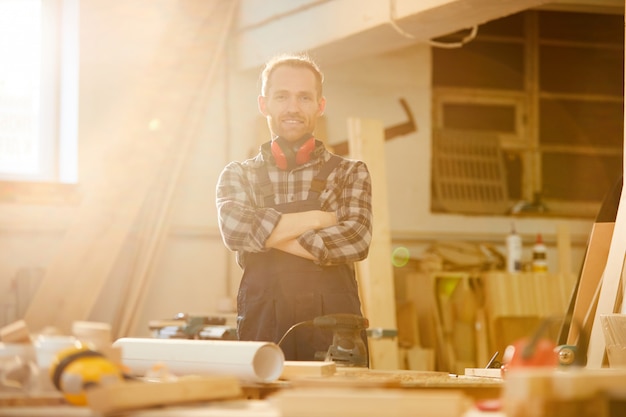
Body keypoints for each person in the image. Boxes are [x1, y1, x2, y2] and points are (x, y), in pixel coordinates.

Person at [216, 53, 373, 362]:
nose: (292, 108)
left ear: (320, 105)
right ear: (264, 104)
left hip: (335, 337)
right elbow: (235, 231)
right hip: (263, 331)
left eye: (304, 97)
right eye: (281, 97)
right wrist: (318, 219)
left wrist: (265, 237)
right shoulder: (238, 175)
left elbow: (356, 239)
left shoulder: (350, 172)